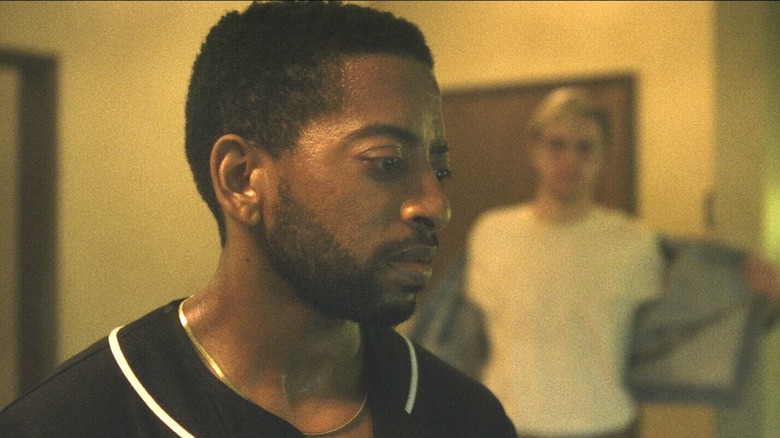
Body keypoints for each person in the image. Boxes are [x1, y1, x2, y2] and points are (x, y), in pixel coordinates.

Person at [0, 2, 517, 437]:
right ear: (241, 178)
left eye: (441, 170)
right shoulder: (71, 422)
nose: (435, 204)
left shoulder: (465, 417)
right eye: (386, 162)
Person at [461, 87, 779, 438]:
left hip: (606, 425)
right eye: (557, 145)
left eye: (585, 147)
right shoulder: (492, 233)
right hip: (506, 425)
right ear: (534, 148)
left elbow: (691, 318)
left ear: (604, 154)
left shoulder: (635, 243)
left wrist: (754, 289)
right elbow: (464, 338)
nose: (570, 160)